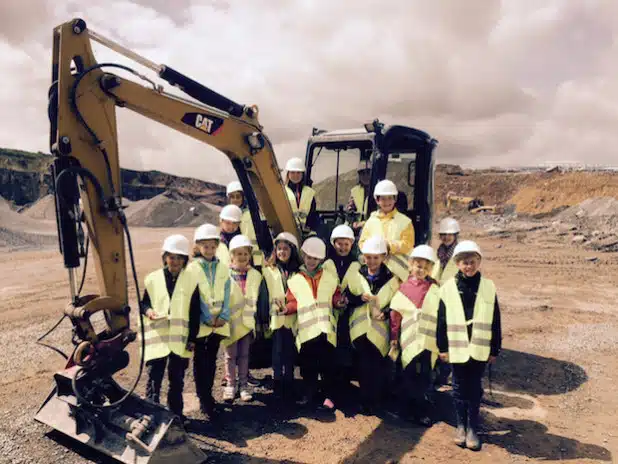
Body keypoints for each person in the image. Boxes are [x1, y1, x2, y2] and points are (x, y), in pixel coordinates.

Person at [436, 240, 502, 451]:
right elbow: (441, 320)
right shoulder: (447, 289)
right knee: (458, 387)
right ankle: (460, 425)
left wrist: (494, 348)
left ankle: (473, 427)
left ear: (479, 261)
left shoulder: (488, 287)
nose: (469, 266)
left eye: (472, 262)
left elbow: (495, 319)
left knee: (474, 388)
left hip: (479, 348)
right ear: (457, 264)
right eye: (464, 262)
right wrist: (443, 347)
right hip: (457, 348)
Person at [140, 234, 198, 421]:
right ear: (165, 257)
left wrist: (192, 339)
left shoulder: (191, 280)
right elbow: (144, 303)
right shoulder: (153, 279)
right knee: (154, 379)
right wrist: (149, 312)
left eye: (179, 257)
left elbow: (194, 311)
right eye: (171, 257)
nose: (174, 261)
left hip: (179, 341)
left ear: (184, 260)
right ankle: (152, 415)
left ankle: (175, 416)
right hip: (157, 339)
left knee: (176, 380)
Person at [285, 237, 344, 411]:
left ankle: (329, 396)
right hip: (306, 330)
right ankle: (309, 393)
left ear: (322, 260)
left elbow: (335, 296)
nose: (312, 261)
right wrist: (285, 309)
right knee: (308, 365)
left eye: (316, 259)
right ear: (303, 256)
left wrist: (338, 302)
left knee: (327, 365)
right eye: (309, 257)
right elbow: (292, 301)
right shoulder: (295, 280)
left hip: (325, 329)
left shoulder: (330, 278)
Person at [346, 235, 400, 414]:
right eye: (368, 257)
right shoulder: (357, 275)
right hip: (361, 331)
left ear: (383, 257)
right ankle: (365, 400)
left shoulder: (391, 279)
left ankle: (376, 399)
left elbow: (397, 303)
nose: (372, 261)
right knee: (363, 367)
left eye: (376, 257)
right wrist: (358, 299)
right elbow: (348, 298)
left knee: (378, 367)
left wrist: (386, 313)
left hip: (379, 332)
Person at [388, 245, 440, 426]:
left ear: (431, 269)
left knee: (425, 376)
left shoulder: (434, 288)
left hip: (427, 340)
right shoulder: (404, 288)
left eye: (426, 268)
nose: (421, 270)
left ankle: (422, 410)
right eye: (418, 266)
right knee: (407, 374)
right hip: (409, 340)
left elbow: (440, 314)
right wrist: (394, 337)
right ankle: (405, 409)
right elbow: (395, 314)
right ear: (410, 265)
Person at [188, 223, 231, 418]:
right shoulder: (192, 268)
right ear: (198, 246)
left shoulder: (223, 267)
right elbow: (194, 296)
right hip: (202, 325)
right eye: (205, 246)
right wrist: (206, 318)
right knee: (200, 362)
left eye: (213, 246)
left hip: (218, 324)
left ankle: (209, 397)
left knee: (212, 361)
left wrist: (223, 315)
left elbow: (228, 292)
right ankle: (203, 399)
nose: (209, 250)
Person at [221, 235, 265, 402]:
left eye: (245, 254)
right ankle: (231, 385)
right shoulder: (225, 274)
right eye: (238, 254)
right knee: (230, 356)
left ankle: (244, 386)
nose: (242, 257)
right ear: (232, 255)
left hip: (246, 323)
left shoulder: (255, 275)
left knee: (245, 355)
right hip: (231, 322)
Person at [322, 224, 360, 400]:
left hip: (348, 314)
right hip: (330, 313)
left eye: (346, 244)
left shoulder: (356, 264)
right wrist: (334, 300)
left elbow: (360, 288)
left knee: (345, 350)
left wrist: (348, 300)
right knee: (329, 351)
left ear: (351, 244)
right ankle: (329, 390)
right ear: (333, 243)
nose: (343, 247)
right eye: (339, 243)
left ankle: (343, 387)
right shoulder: (327, 264)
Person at [262, 232, 302, 400]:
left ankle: (289, 380)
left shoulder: (298, 272)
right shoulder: (269, 271)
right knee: (277, 351)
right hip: (277, 317)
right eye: (279, 249)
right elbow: (264, 295)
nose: (282, 252)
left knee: (290, 351)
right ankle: (277, 380)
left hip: (292, 318)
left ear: (292, 251)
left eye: (286, 249)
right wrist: (264, 317)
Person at [358, 179, 415, 281]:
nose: (387, 202)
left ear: (395, 199)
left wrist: (388, 246)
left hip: (399, 273)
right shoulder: (371, 221)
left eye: (390, 198)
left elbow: (408, 244)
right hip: (376, 271)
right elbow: (362, 243)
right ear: (377, 200)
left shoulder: (405, 222)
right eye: (383, 199)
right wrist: (374, 250)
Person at [226, 180, 265, 269]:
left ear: (243, 198)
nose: (235, 200)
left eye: (238, 197)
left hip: (252, 259)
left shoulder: (249, 215)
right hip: (233, 259)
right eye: (232, 197)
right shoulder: (227, 216)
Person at [284, 157, 319, 234]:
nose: (295, 175)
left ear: (302, 174)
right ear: (288, 174)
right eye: (293, 172)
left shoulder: (309, 192)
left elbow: (312, 213)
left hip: (306, 232)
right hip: (287, 231)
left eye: (298, 172)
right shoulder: (282, 192)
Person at [432, 217, 461, 284]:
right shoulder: (437, 253)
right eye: (443, 234)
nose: (446, 237)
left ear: (455, 235)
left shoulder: (460, 254)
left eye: (450, 234)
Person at [347, 160, 372, 234]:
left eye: (368, 172)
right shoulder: (354, 191)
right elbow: (350, 210)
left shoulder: (378, 190)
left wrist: (364, 223)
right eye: (362, 173)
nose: (365, 176)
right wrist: (353, 222)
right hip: (357, 226)